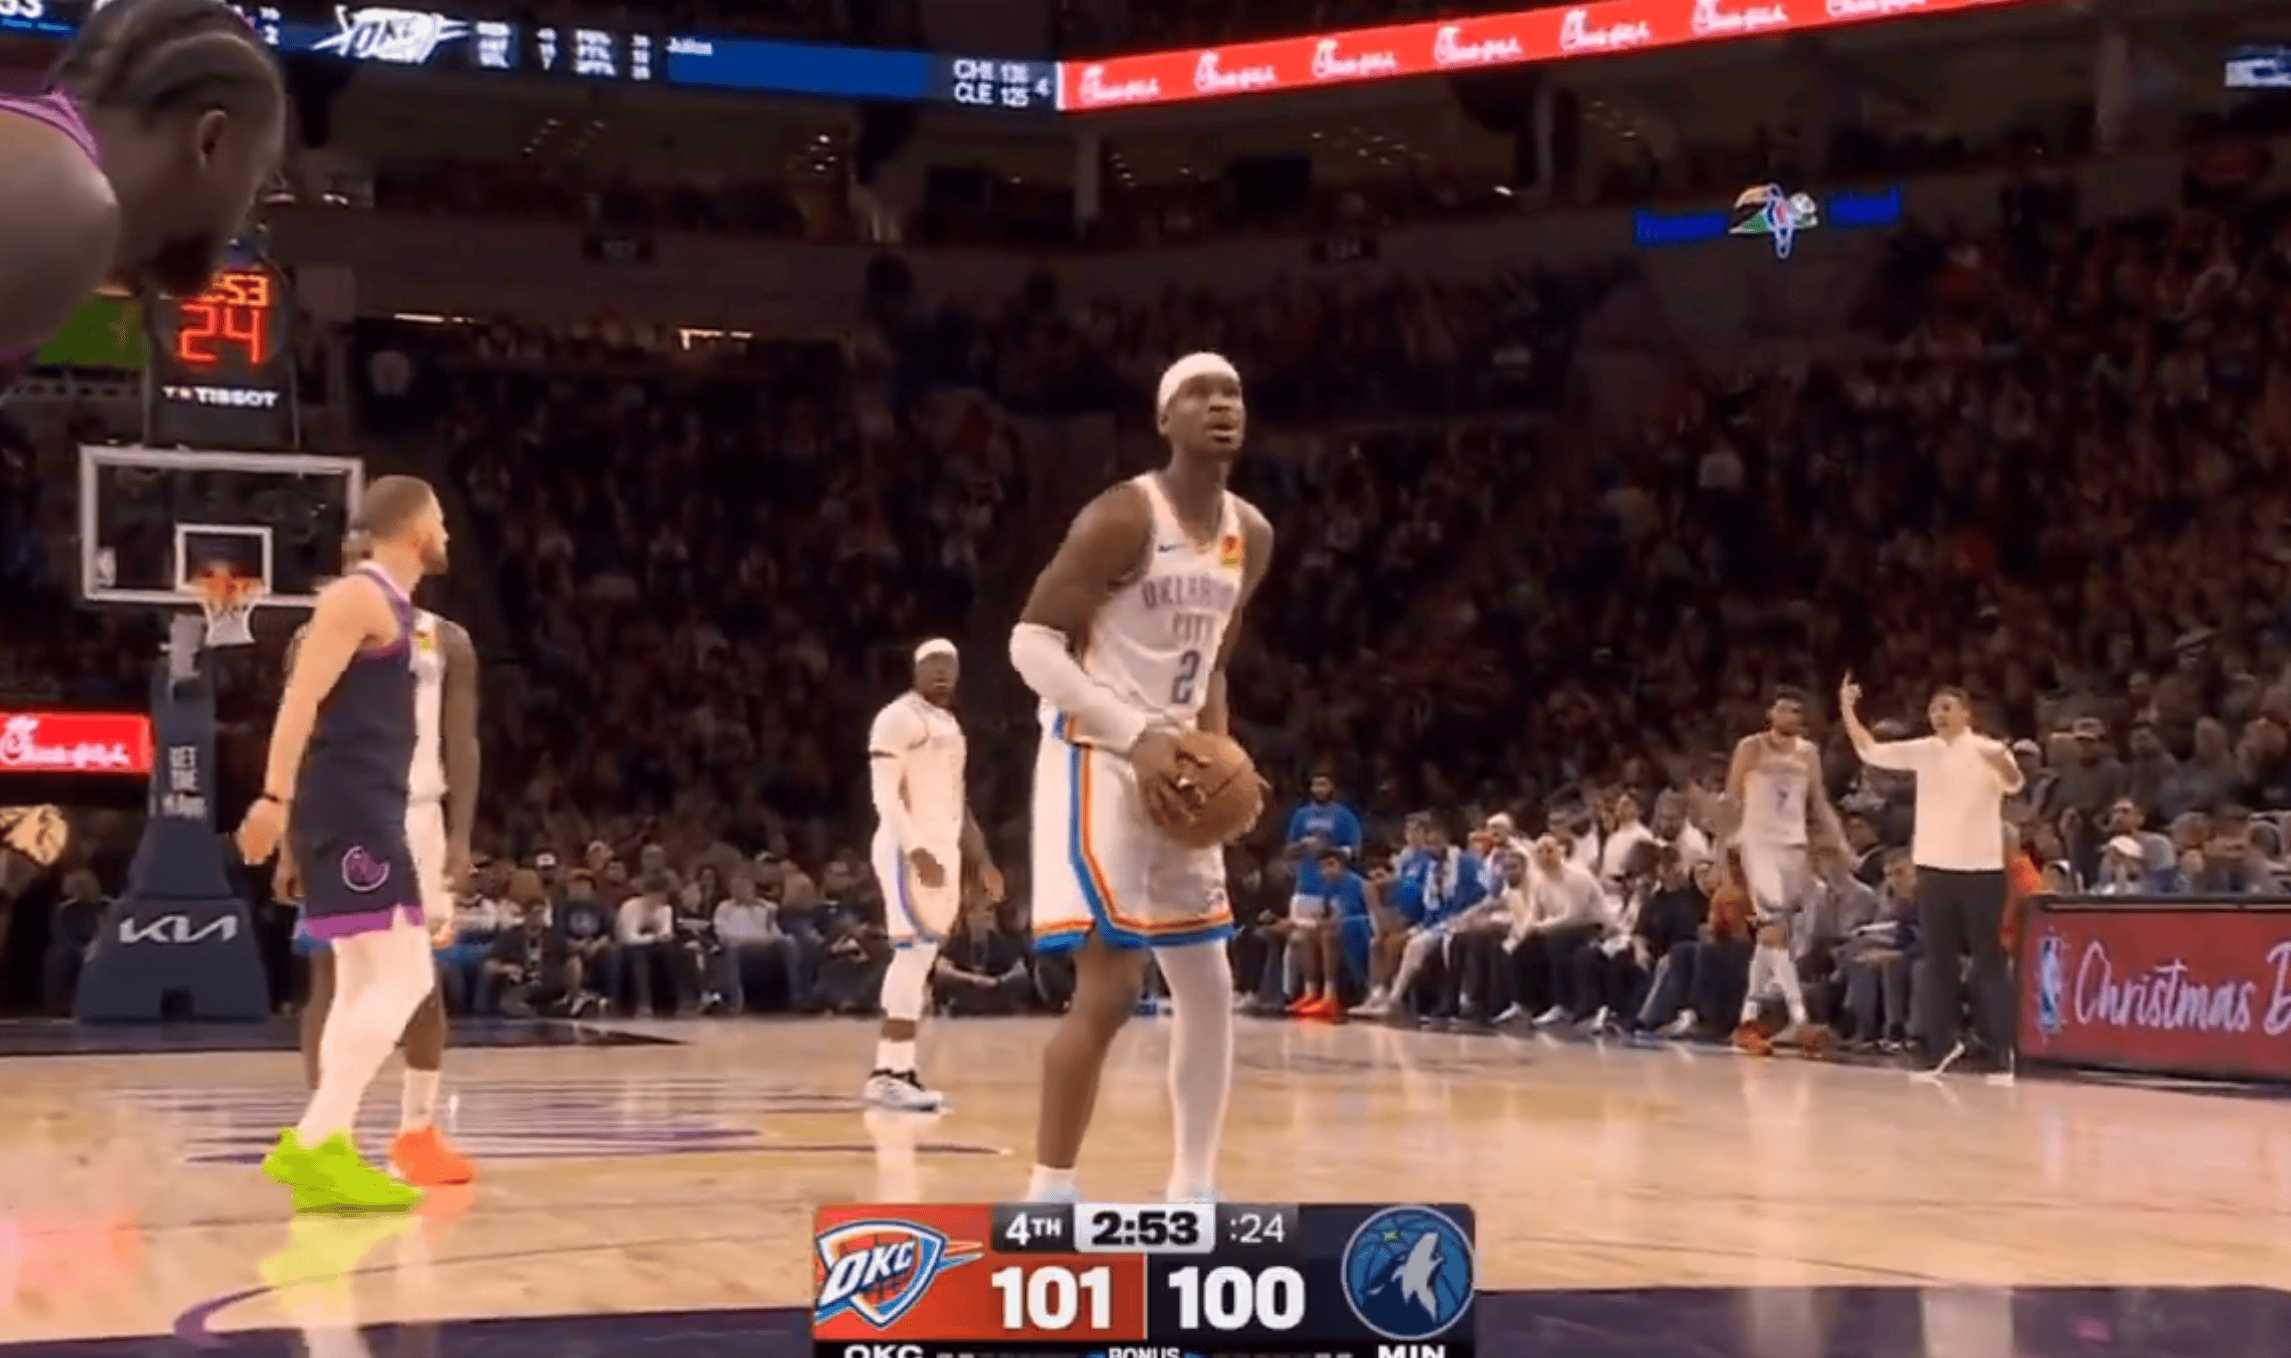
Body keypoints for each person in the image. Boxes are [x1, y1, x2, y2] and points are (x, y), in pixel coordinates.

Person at [1007, 351, 1274, 1204]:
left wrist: (1219, 760)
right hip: (1097, 756)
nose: (1220, 404)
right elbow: (1029, 645)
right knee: (1113, 985)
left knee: (1209, 984)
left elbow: (1213, 667)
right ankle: (1050, 1192)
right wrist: (1137, 739)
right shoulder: (1122, 516)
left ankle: (1193, 1187)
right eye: (1199, 393)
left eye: (1231, 392)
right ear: (1164, 419)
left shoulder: (1251, 534)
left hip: (1179, 765)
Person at [234, 476, 450, 1213]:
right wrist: (273, 798)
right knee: (406, 977)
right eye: (440, 520)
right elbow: (298, 700)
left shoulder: (393, 609)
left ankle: (329, 1152)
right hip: (351, 811)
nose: (447, 533)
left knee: (361, 985)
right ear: (416, 529)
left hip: (361, 806)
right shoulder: (357, 597)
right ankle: (315, 1140)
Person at [0, 0, 284, 364]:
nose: (248, 218)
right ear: (210, 140)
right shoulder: (70, 204)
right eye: (256, 180)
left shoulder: (51, 170)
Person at [1838, 676, 2025, 1080]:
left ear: (1966, 713)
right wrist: (1848, 710)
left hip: (1980, 870)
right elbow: (1870, 750)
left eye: (1947, 707)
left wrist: (2003, 762)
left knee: (1988, 962)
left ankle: (2001, 1051)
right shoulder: (1925, 751)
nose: (1939, 714)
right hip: (1935, 869)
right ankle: (1941, 1045)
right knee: (1937, 962)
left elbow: (2014, 783)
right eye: (1934, 708)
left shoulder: (1987, 749)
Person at [864, 639, 1002, 1109]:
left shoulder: (950, 726)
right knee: (911, 954)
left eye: (949, 664)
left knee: (922, 957)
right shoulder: (897, 718)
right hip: (907, 850)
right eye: (932, 664)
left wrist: (981, 860)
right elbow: (885, 796)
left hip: (943, 852)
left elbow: (958, 803)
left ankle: (900, 1069)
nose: (941, 672)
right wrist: (915, 849)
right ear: (916, 670)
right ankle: (886, 1073)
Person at [1722, 686, 1843, 1053]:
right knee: (1774, 932)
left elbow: (1818, 800)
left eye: (1797, 711)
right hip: (1758, 844)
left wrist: (1838, 840)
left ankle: (1747, 1022)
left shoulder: (1809, 752)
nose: (1791, 716)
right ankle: (1800, 1020)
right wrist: (1720, 853)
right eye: (1784, 709)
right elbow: (1731, 799)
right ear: (1770, 714)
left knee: (1771, 939)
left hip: (1795, 845)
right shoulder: (1752, 747)